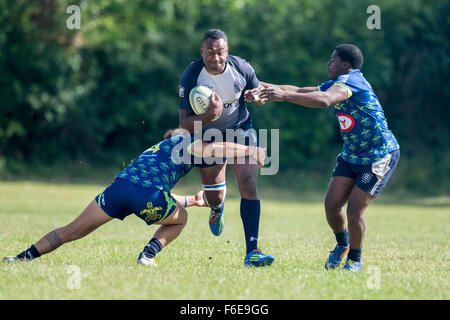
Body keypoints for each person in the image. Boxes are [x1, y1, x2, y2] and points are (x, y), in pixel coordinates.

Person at [3, 128, 266, 266]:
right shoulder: (183, 143)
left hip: (119, 190)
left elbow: (152, 189)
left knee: (71, 230)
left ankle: (22, 258)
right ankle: (147, 256)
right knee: (180, 220)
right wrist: (251, 150)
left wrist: (191, 200)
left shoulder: (156, 149)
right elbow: (218, 148)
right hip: (147, 196)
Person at [246, 44, 400, 271]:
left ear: (345, 64)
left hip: (378, 155)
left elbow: (324, 100)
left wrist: (283, 96)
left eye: (332, 60)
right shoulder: (336, 83)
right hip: (352, 154)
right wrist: (256, 85)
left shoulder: (352, 82)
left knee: (354, 210)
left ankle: (355, 260)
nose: (328, 64)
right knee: (331, 205)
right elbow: (299, 91)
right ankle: (342, 245)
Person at [178, 28, 274, 267]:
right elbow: (185, 124)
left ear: (227, 51)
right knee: (214, 196)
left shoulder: (241, 68)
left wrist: (260, 98)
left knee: (248, 181)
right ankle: (216, 208)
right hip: (207, 135)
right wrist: (210, 116)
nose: (215, 57)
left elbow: (259, 93)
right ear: (202, 52)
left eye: (220, 52)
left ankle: (252, 251)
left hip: (240, 129)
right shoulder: (191, 77)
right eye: (210, 52)